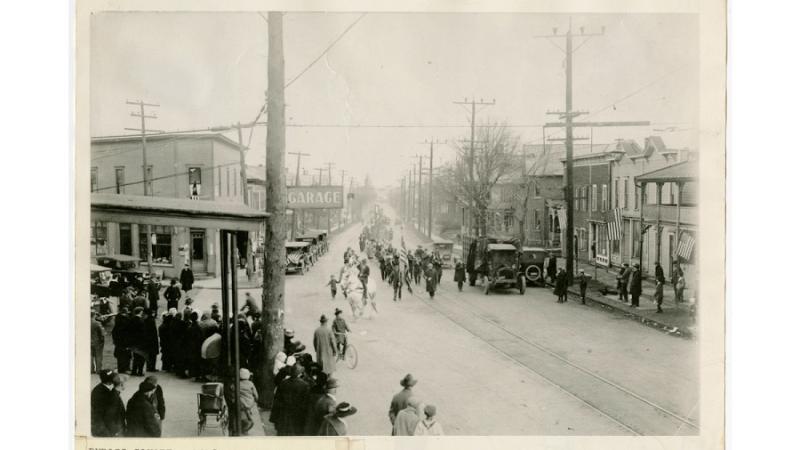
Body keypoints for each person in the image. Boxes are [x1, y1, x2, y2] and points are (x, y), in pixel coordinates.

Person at [270, 364, 310, 436]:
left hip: (283, 415)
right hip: (297, 416)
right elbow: (305, 404)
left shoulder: (283, 383)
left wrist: (274, 418)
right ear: (300, 373)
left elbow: (277, 401)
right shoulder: (304, 385)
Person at [91, 370, 126, 437]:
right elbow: (104, 415)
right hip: (109, 430)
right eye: (115, 377)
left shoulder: (111, 386)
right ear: (109, 381)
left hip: (116, 426)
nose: (118, 378)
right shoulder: (99, 393)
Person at [238, 368, 259, 435]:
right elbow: (256, 395)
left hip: (241, 403)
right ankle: (245, 429)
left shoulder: (237, 384)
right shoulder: (251, 384)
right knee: (248, 417)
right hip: (249, 403)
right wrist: (256, 399)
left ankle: (243, 428)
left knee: (243, 416)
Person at [112, 306, 131, 374]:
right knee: (126, 356)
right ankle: (126, 368)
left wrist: (115, 340)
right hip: (125, 341)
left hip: (118, 342)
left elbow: (114, 332)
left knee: (120, 356)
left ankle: (120, 368)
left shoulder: (118, 322)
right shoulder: (127, 321)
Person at [128, 307, 147, 376]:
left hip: (133, 341)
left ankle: (134, 370)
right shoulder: (141, 321)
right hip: (140, 342)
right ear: (140, 312)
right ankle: (140, 371)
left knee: (135, 357)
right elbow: (143, 332)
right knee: (141, 357)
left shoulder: (131, 320)